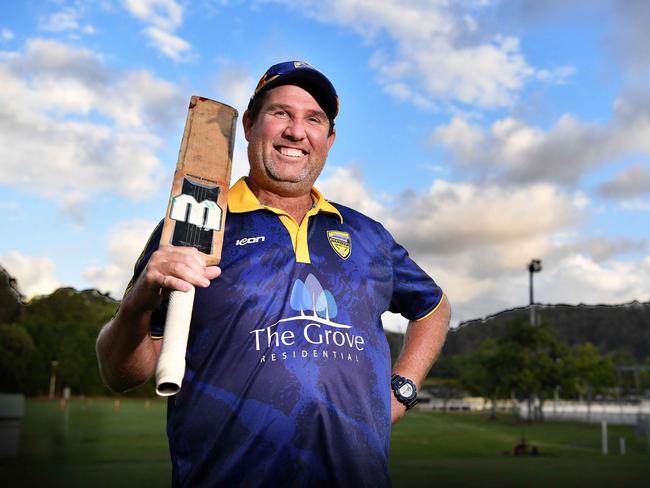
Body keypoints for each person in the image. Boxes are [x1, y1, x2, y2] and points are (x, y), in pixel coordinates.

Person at [96, 60, 451, 487]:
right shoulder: (196, 225)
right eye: (280, 113)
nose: (296, 131)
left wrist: (402, 390)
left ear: (329, 139)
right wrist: (139, 301)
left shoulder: (367, 235)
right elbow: (122, 373)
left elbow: (433, 307)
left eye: (313, 119)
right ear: (248, 124)